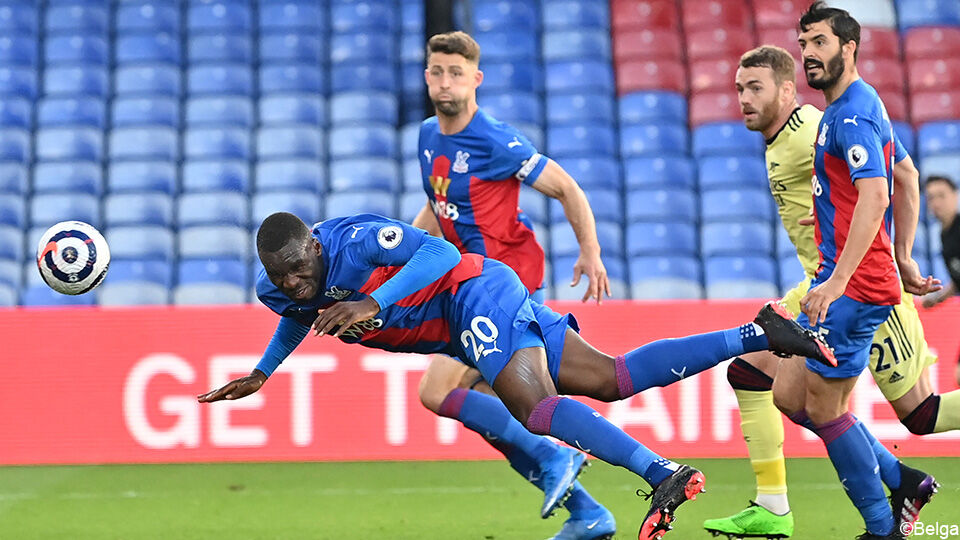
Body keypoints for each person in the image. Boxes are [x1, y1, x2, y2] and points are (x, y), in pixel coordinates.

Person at [198, 211, 836, 540]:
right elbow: (295, 316)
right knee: (613, 378)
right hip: (472, 316)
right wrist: (262, 372)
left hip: (473, 295)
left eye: (299, 270)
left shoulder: (358, 240)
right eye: (281, 279)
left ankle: (661, 473)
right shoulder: (281, 289)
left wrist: (377, 303)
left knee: (532, 406)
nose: (294, 284)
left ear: (312, 246)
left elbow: (443, 253)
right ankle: (759, 332)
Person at [704, 44, 956, 539]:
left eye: (755, 88)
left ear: (787, 89)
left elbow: (898, 177)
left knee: (921, 414)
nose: (744, 99)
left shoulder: (814, 131)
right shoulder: (782, 140)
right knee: (756, 376)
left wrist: (896, 252)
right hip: (820, 288)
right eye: (739, 89)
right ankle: (774, 507)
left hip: (864, 291)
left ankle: (899, 485)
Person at [409, 31, 615, 540]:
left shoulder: (496, 140)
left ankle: (555, 455)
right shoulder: (426, 137)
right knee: (499, 416)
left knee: (436, 391)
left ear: (475, 80)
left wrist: (589, 250)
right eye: (436, 71)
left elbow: (566, 187)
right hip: (465, 285)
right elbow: (438, 213)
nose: (444, 82)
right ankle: (588, 513)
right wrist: (403, 255)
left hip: (503, 284)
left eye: (456, 73)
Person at [770, 4, 942, 539]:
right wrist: (906, 255)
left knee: (825, 408)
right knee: (788, 397)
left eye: (819, 43)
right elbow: (906, 174)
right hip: (857, 278)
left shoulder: (851, 115)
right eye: (803, 45)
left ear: (850, 47)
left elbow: (878, 191)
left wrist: (840, 280)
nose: (809, 56)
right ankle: (900, 478)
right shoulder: (850, 108)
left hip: (856, 288)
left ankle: (882, 527)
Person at [922, 175, 960, 387]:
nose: (936, 202)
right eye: (931, 198)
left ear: (955, 196)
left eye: (941, 196)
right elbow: (958, 279)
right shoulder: (945, 236)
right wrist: (937, 299)